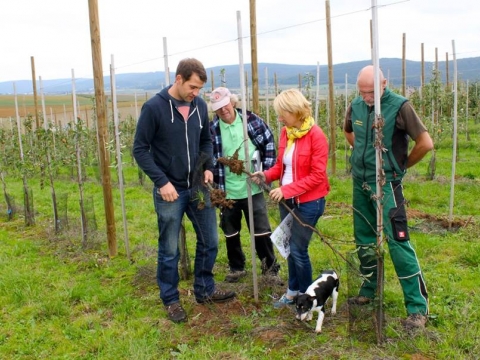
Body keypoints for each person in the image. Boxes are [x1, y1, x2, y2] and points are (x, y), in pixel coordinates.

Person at [133, 58, 235, 324]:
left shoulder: (199, 106)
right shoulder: (154, 108)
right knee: (169, 249)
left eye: (199, 88)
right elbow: (140, 149)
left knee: (210, 240)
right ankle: (170, 299)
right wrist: (161, 182)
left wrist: (208, 166)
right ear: (178, 79)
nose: (196, 93)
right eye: (192, 87)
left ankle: (205, 290)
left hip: (198, 187)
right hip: (170, 190)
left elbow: (206, 140)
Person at [343, 65, 433, 329]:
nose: (367, 98)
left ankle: (417, 308)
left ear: (384, 83)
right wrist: (360, 150)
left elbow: (425, 143)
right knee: (364, 237)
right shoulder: (356, 105)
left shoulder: (400, 107)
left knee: (398, 242)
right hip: (360, 183)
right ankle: (369, 289)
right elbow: (348, 130)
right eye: (362, 92)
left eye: (371, 92)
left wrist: (400, 165)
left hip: (387, 185)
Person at [252, 88, 330, 308]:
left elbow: (317, 176)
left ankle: (308, 298)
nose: (279, 118)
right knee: (288, 249)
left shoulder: (316, 136)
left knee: (298, 249)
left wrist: (287, 190)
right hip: (288, 203)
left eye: (282, 113)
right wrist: (266, 175)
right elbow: (281, 166)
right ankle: (293, 292)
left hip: (309, 203)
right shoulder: (287, 133)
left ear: (294, 111)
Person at [209, 87, 281, 283]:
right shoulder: (212, 129)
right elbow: (208, 157)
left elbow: (269, 143)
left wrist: (265, 173)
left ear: (232, 102)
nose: (223, 110)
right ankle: (237, 268)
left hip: (253, 186)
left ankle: (270, 269)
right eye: (218, 108)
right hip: (228, 190)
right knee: (230, 231)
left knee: (261, 230)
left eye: (225, 105)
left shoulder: (250, 121)